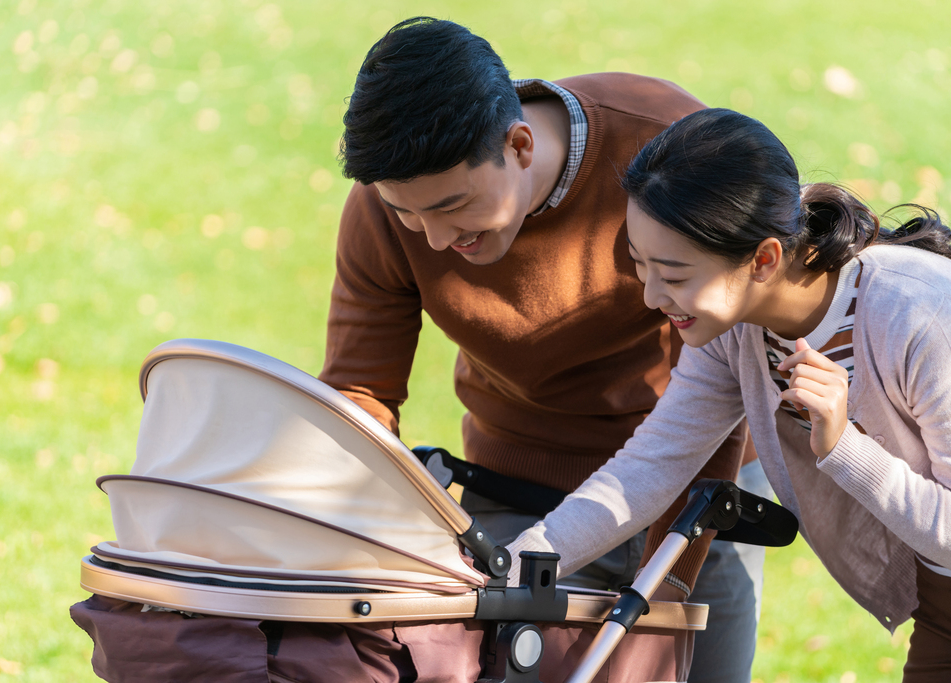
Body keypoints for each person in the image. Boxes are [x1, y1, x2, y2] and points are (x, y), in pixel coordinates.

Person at [508, 107, 951, 681]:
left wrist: (845, 447)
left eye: (674, 275)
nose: (652, 296)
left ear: (764, 259)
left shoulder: (925, 318)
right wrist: (510, 567)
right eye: (640, 265)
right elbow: (649, 468)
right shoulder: (734, 331)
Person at [320, 16, 755, 681]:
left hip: (690, 481)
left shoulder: (668, 153)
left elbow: (726, 384)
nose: (433, 240)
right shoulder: (388, 203)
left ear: (519, 145)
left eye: (453, 206)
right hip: (511, 483)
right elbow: (362, 389)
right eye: (409, 214)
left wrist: (663, 586)